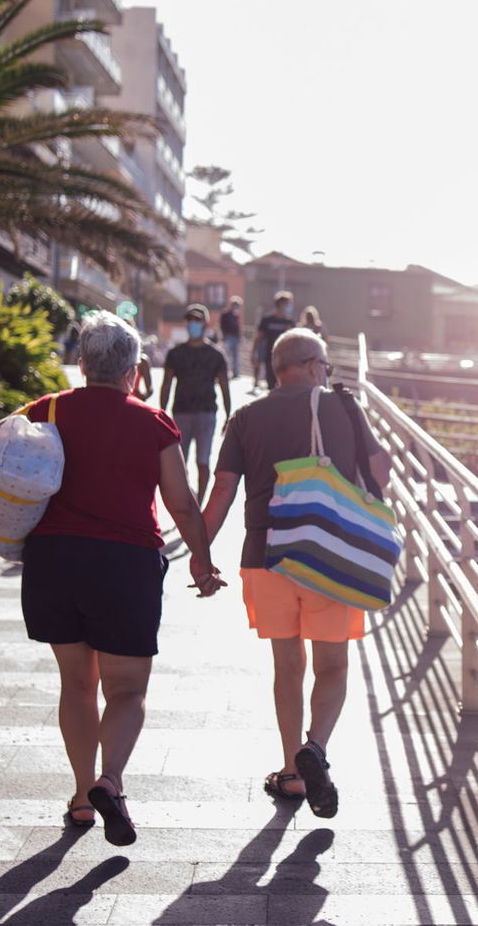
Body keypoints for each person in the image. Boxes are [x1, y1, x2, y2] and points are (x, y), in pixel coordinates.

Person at [0, 313, 224, 847]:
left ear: (82, 363)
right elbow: (179, 501)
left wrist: (39, 408)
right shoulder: (153, 422)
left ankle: (83, 797)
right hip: (125, 566)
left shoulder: (51, 408)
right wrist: (202, 560)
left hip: (54, 562)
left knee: (76, 685)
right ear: (135, 369)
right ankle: (112, 781)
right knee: (126, 689)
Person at [202, 330, 391, 819]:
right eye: (325, 367)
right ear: (312, 365)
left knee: (287, 668)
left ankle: (290, 773)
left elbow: (222, 491)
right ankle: (316, 749)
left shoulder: (246, 417)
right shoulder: (343, 408)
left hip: (265, 555)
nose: (326, 375)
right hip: (329, 553)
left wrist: (200, 555)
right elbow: (379, 469)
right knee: (333, 666)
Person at [160, 305, 232, 504]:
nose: (193, 324)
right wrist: (161, 413)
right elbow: (166, 384)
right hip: (181, 411)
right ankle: (184, 500)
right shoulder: (176, 353)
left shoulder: (216, 355)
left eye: (197, 320)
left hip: (206, 413)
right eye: (190, 320)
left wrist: (228, 415)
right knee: (179, 462)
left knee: (203, 461)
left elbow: (225, 386)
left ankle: (199, 503)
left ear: (205, 324)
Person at [252, 290, 296, 391]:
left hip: (286, 359)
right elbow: (258, 337)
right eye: (288, 304)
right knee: (271, 386)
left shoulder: (289, 321)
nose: (290, 306)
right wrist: (253, 353)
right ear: (281, 304)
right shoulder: (267, 320)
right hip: (270, 357)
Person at [219, 296, 244, 379]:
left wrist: (239, 336)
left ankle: (235, 372)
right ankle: (225, 371)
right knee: (226, 355)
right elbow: (222, 325)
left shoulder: (236, 315)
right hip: (228, 337)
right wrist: (223, 335)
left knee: (236, 355)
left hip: (235, 337)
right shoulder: (225, 314)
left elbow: (237, 327)